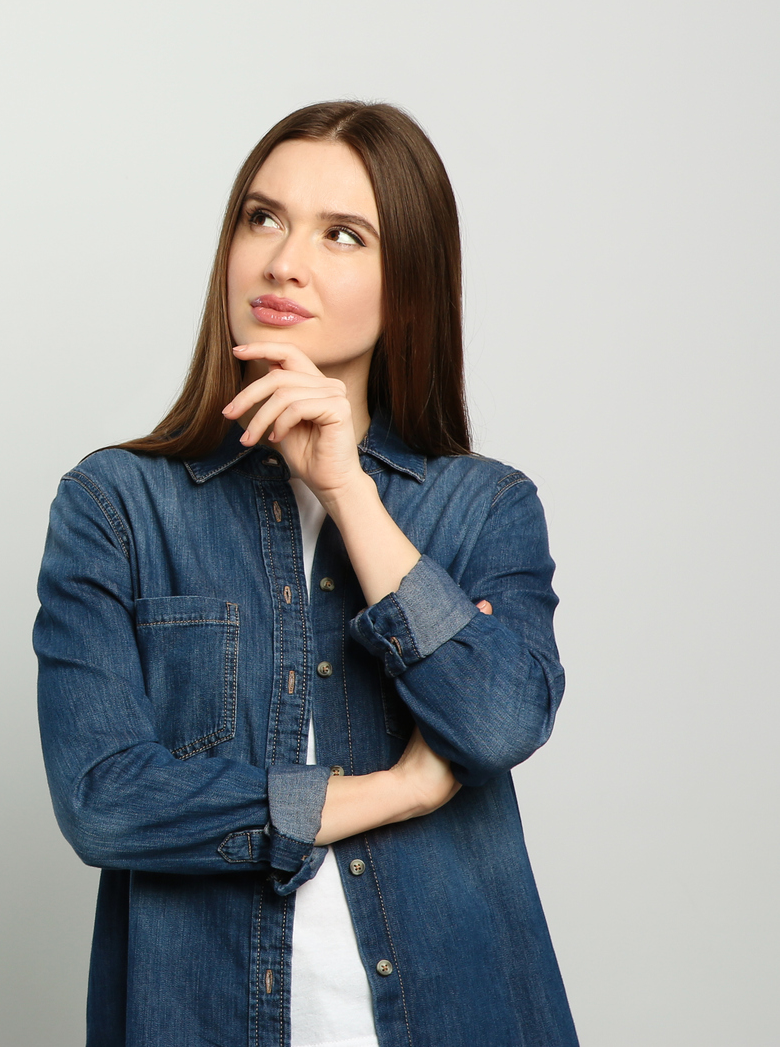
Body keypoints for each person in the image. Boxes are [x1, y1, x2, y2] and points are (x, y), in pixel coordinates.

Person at [32, 102, 576, 1047]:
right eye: (263, 217)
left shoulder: (482, 507)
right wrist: (393, 790)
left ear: (406, 285)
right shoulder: (116, 505)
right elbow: (103, 802)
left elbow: (496, 721)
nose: (284, 259)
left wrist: (348, 491)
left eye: (341, 234)